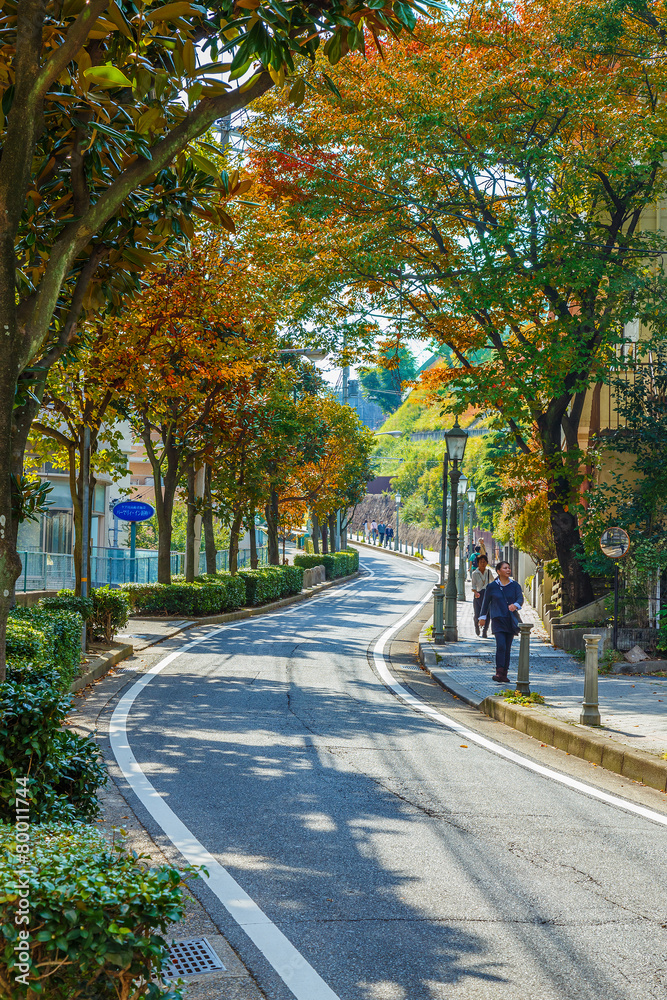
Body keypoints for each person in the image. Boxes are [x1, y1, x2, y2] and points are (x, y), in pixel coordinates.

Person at [478, 560, 523, 683]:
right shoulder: (492, 587)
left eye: (509, 568)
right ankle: (499, 672)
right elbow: (485, 603)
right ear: (498, 571)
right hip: (497, 620)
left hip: (510, 620)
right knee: (501, 645)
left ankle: (504, 673)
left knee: (507, 647)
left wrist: (515, 605)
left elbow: (520, 598)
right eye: (505, 568)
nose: (508, 570)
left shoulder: (515, 585)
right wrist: (482, 617)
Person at [471, 554, 493, 638]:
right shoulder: (475, 573)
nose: (482, 564)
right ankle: (476, 625)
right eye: (481, 562)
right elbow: (473, 586)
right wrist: (475, 592)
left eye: (484, 562)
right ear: (478, 563)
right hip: (478, 595)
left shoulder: (488, 572)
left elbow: (493, 582)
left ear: (487, 563)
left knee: (488, 614)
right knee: (477, 614)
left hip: (487, 596)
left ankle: (485, 631)